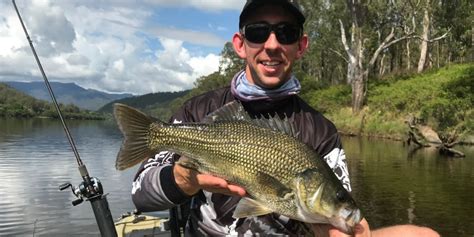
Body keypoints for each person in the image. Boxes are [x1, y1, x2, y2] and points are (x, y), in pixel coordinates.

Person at [130, 0, 440, 236]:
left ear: (300, 46)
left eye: (286, 33)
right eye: (258, 32)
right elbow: (141, 195)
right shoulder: (196, 111)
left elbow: (333, 202)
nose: (273, 44)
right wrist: (183, 180)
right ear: (240, 44)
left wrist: (334, 228)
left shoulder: (320, 132)